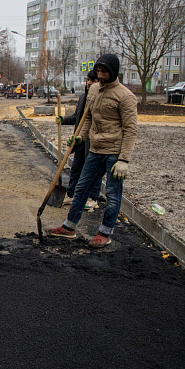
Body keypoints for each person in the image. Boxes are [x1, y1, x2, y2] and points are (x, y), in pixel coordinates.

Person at [46, 53, 138, 248]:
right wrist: (81, 137)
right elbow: (88, 117)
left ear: (113, 72)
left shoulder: (125, 97)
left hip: (114, 153)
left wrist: (124, 160)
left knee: (113, 195)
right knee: (81, 188)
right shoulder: (94, 90)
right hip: (95, 150)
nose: (101, 75)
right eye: (98, 71)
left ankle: (105, 233)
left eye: (104, 71)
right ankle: (69, 227)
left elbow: (131, 130)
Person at [56, 69, 104, 210]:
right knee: (76, 167)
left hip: (93, 141)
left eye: (92, 80)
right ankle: (70, 195)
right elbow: (78, 117)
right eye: (87, 80)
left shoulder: (100, 99)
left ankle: (92, 198)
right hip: (80, 140)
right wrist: (64, 120)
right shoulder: (84, 97)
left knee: (92, 170)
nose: (89, 83)